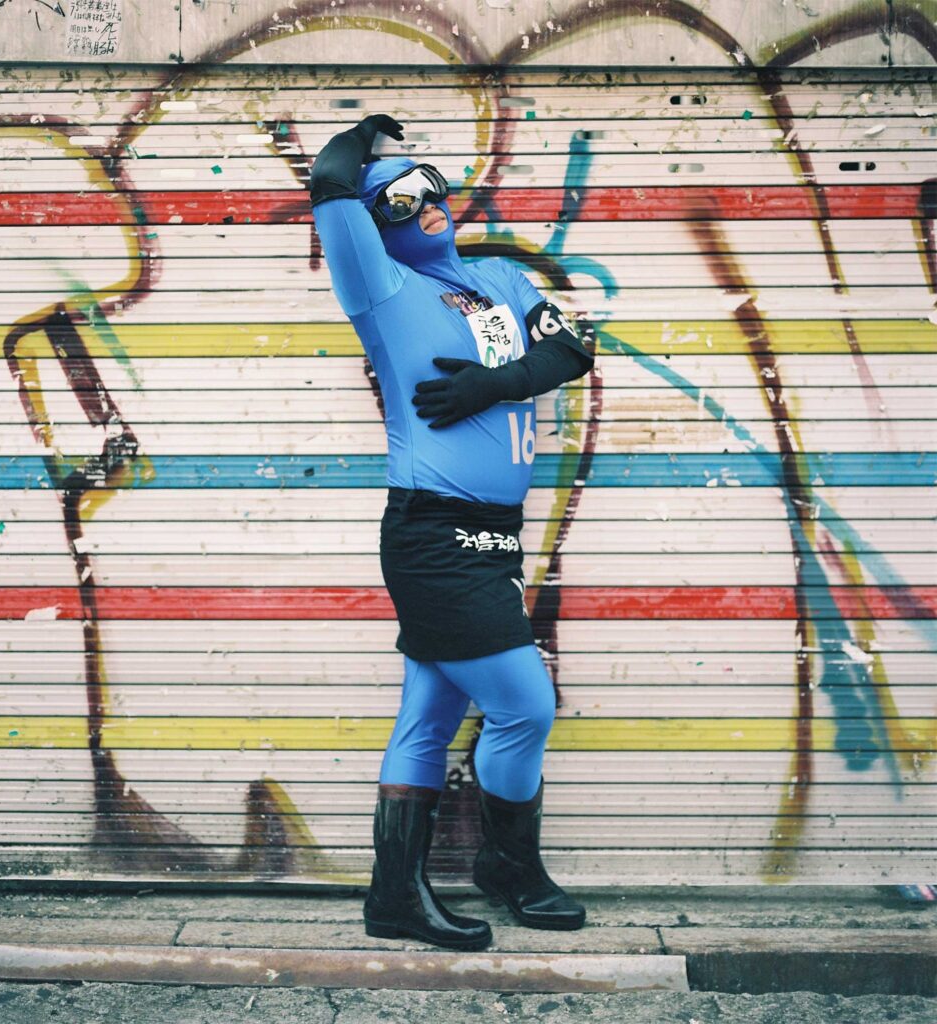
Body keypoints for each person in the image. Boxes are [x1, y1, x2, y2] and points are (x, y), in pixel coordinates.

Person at [309, 114, 594, 951]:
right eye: (398, 199)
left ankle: (395, 899)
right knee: (525, 708)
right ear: (377, 225)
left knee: (429, 715)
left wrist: (495, 384)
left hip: (496, 534)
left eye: (430, 185)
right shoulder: (381, 286)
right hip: (435, 535)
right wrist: (367, 137)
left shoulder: (502, 277)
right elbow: (329, 181)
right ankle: (510, 870)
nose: (424, 204)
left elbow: (571, 353)